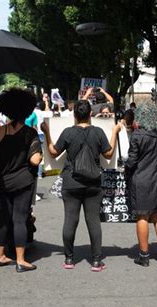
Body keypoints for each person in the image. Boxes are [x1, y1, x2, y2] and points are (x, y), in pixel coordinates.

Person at [41, 100, 121, 272]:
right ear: (90, 114)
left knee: (70, 219)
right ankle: (97, 261)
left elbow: (54, 153)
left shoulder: (68, 133)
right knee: (93, 221)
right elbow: (108, 154)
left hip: (71, 182)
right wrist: (115, 132)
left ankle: (69, 259)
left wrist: (47, 132)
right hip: (93, 183)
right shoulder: (98, 132)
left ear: (74, 115)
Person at [0, 88, 42, 273]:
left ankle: (1, 256)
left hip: (2, 182)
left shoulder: (1, 131)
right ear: (27, 110)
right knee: (19, 219)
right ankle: (20, 260)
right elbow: (35, 160)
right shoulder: (30, 133)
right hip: (23, 182)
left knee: (2, 219)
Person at [125, 102, 157, 268]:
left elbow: (131, 161)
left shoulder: (138, 135)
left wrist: (125, 167)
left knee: (142, 216)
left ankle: (144, 255)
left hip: (141, 180)